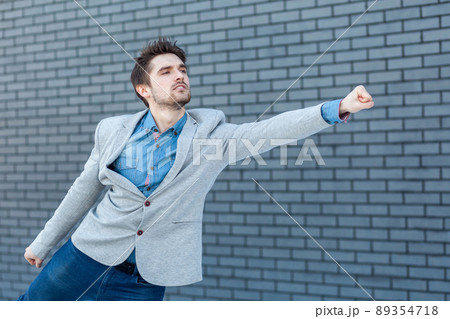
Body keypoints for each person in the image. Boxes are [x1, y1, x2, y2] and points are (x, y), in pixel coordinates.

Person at [17, 37, 374, 301]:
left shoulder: (211, 137)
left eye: (183, 70)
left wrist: (338, 107)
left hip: (146, 275)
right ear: (143, 88)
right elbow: (82, 191)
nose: (179, 76)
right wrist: (44, 243)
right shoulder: (112, 130)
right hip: (83, 255)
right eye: (167, 71)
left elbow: (268, 131)